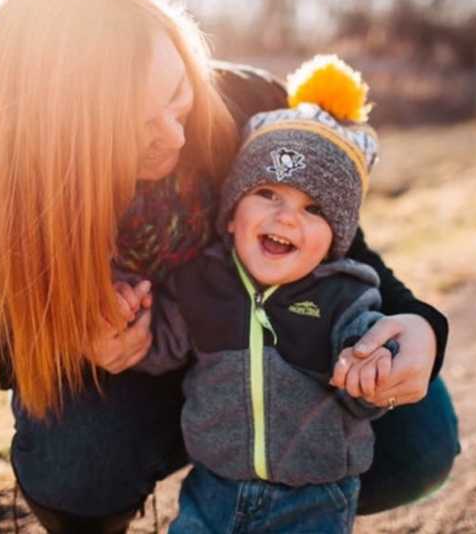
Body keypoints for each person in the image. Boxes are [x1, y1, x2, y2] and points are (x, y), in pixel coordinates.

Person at [0, 0, 459, 532]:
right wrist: (72, 337)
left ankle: (277, 496)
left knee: (418, 450)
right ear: (54, 144)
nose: (174, 136)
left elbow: (343, 246)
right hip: (129, 382)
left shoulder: (250, 106)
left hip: (276, 361)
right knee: (79, 461)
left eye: (177, 99)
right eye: (136, 131)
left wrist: (420, 323)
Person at [117, 55, 403, 532]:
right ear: (230, 213)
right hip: (212, 490)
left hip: (313, 498)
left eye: (312, 209)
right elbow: (160, 345)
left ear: (337, 239)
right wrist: (130, 324)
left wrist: (372, 371)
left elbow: (367, 385)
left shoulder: (345, 298)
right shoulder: (202, 281)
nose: (286, 217)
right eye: (267, 194)